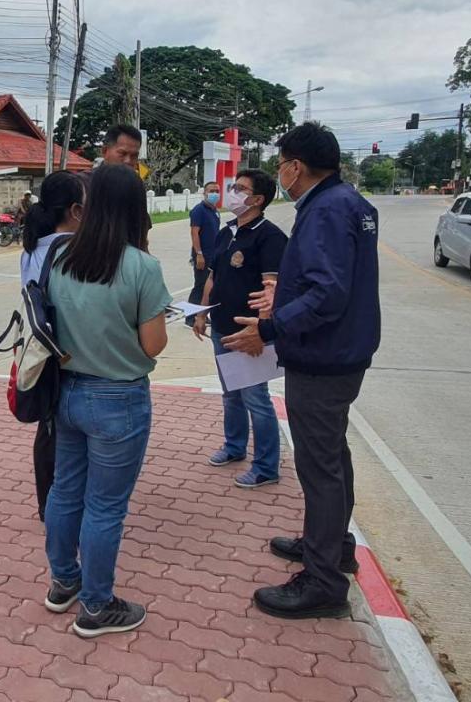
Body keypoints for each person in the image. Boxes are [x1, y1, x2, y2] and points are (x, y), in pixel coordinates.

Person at [222, 122, 380, 620]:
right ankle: (330, 545)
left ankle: (323, 581)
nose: (280, 173)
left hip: (323, 356)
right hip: (340, 351)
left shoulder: (326, 211)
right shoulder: (347, 203)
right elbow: (328, 281)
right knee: (332, 454)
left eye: (282, 163)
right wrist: (282, 297)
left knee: (320, 467)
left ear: (295, 166)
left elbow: (327, 294)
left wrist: (269, 329)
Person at [40, 164, 172, 639]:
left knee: (64, 491)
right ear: (137, 209)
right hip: (119, 398)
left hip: (68, 393)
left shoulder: (59, 257)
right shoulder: (141, 266)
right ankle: (97, 606)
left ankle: (63, 583)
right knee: (105, 507)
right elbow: (154, 345)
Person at [194, 169, 287, 488]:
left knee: (255, 397)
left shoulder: (270, 237)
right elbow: (213, 276)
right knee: (230, 393)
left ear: (257, 199)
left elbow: (272, 289)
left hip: (249, 331)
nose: (230, 192)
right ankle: (234, 447)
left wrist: (263, 329)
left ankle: (266, 466)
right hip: (221, 325)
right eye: (232, 186)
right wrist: (202, 313)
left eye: (239, 188)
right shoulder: (227, 230)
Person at [18, 170, 89, 520]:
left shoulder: (34, 245)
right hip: (67, 353)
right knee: (68, 436)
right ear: (75, 210)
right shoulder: (71, 249)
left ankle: (48, 504)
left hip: (42, 352)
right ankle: (64, 505)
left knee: (49, 431)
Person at [187, 181, 221, 316]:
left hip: (212, 254)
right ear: (205, 193)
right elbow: (194, 233)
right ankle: (190, 317)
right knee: (200, 286)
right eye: (211, 191)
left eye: (217, 191)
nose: (214, 194)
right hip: (202, 255)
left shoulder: (214, 211)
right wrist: (199, 254)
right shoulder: (198, 211)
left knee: (208, 286)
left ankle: (201, 314)